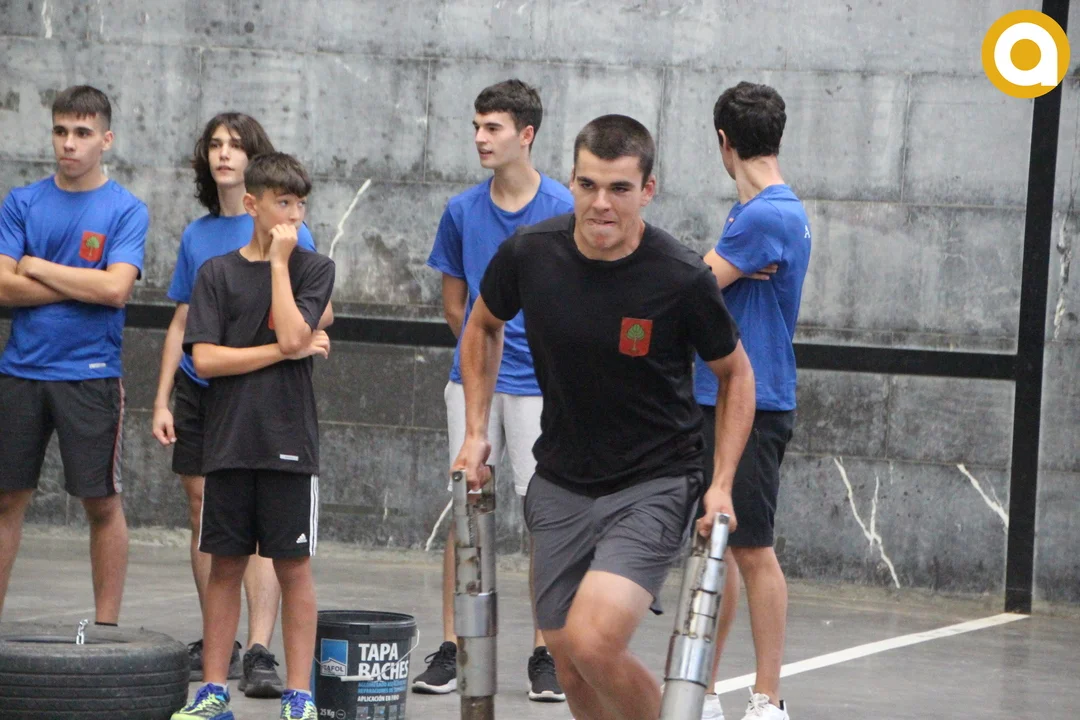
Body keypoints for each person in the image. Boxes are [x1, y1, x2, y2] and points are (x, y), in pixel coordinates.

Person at [455, 114, 757, 720]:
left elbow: (736, 375)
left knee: (593, 640)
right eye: (588, 185)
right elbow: (482, 325)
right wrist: (475, 432)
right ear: (571, 181)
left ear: (647, 190)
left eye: (619, 188)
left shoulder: (680, 277)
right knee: (569, 662)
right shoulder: (529, 254)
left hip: (653, 483)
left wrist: (721, 482)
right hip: (560, 482)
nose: (601, 203)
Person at [414, 78, 573, 702]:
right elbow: (457, 305)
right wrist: (481, 358)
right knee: (467, 510)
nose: (480, 138)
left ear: (525, 135)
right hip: (472, 383)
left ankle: (546, 652)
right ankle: (454, 647)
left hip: (544, 388)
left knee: (545, 519)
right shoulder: (461, 211)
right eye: (476, 127)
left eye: (493, 128)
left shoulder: (564, 207)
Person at [151, 112, 320, 697]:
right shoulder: (210, 260)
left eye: (300, 205)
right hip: (220, 423)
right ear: (254, 205)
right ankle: (215, 680)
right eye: (282, 205)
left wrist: (281, 270)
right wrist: (280, 350)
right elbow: (200, 348)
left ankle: (282, 672)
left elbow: (307, 324)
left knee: (287, 557)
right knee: (221, 550)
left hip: (282, 429)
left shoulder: (305, 256)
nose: (293, 216)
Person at [0, 85, 148, 626]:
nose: (69, 143)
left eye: (83, 133)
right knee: (5, 500)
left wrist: (37, 266)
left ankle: (106, 631)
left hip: (90, 375)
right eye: (61, 131)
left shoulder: (126, 209)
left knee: (101, 504)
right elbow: (2, 286)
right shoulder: (21, 202)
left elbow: (115, 290)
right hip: (20, 371)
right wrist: (83, 282)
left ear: (106, 140)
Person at [693, 82, 812, 720]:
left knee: (753, 549)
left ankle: (768, 698)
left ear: (724, 142)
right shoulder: (752, 215)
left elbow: (691, 288)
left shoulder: (767, 215)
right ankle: (705, 691)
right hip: (719, 395)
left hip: (754, 401)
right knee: (721, 546)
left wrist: (704, 271)